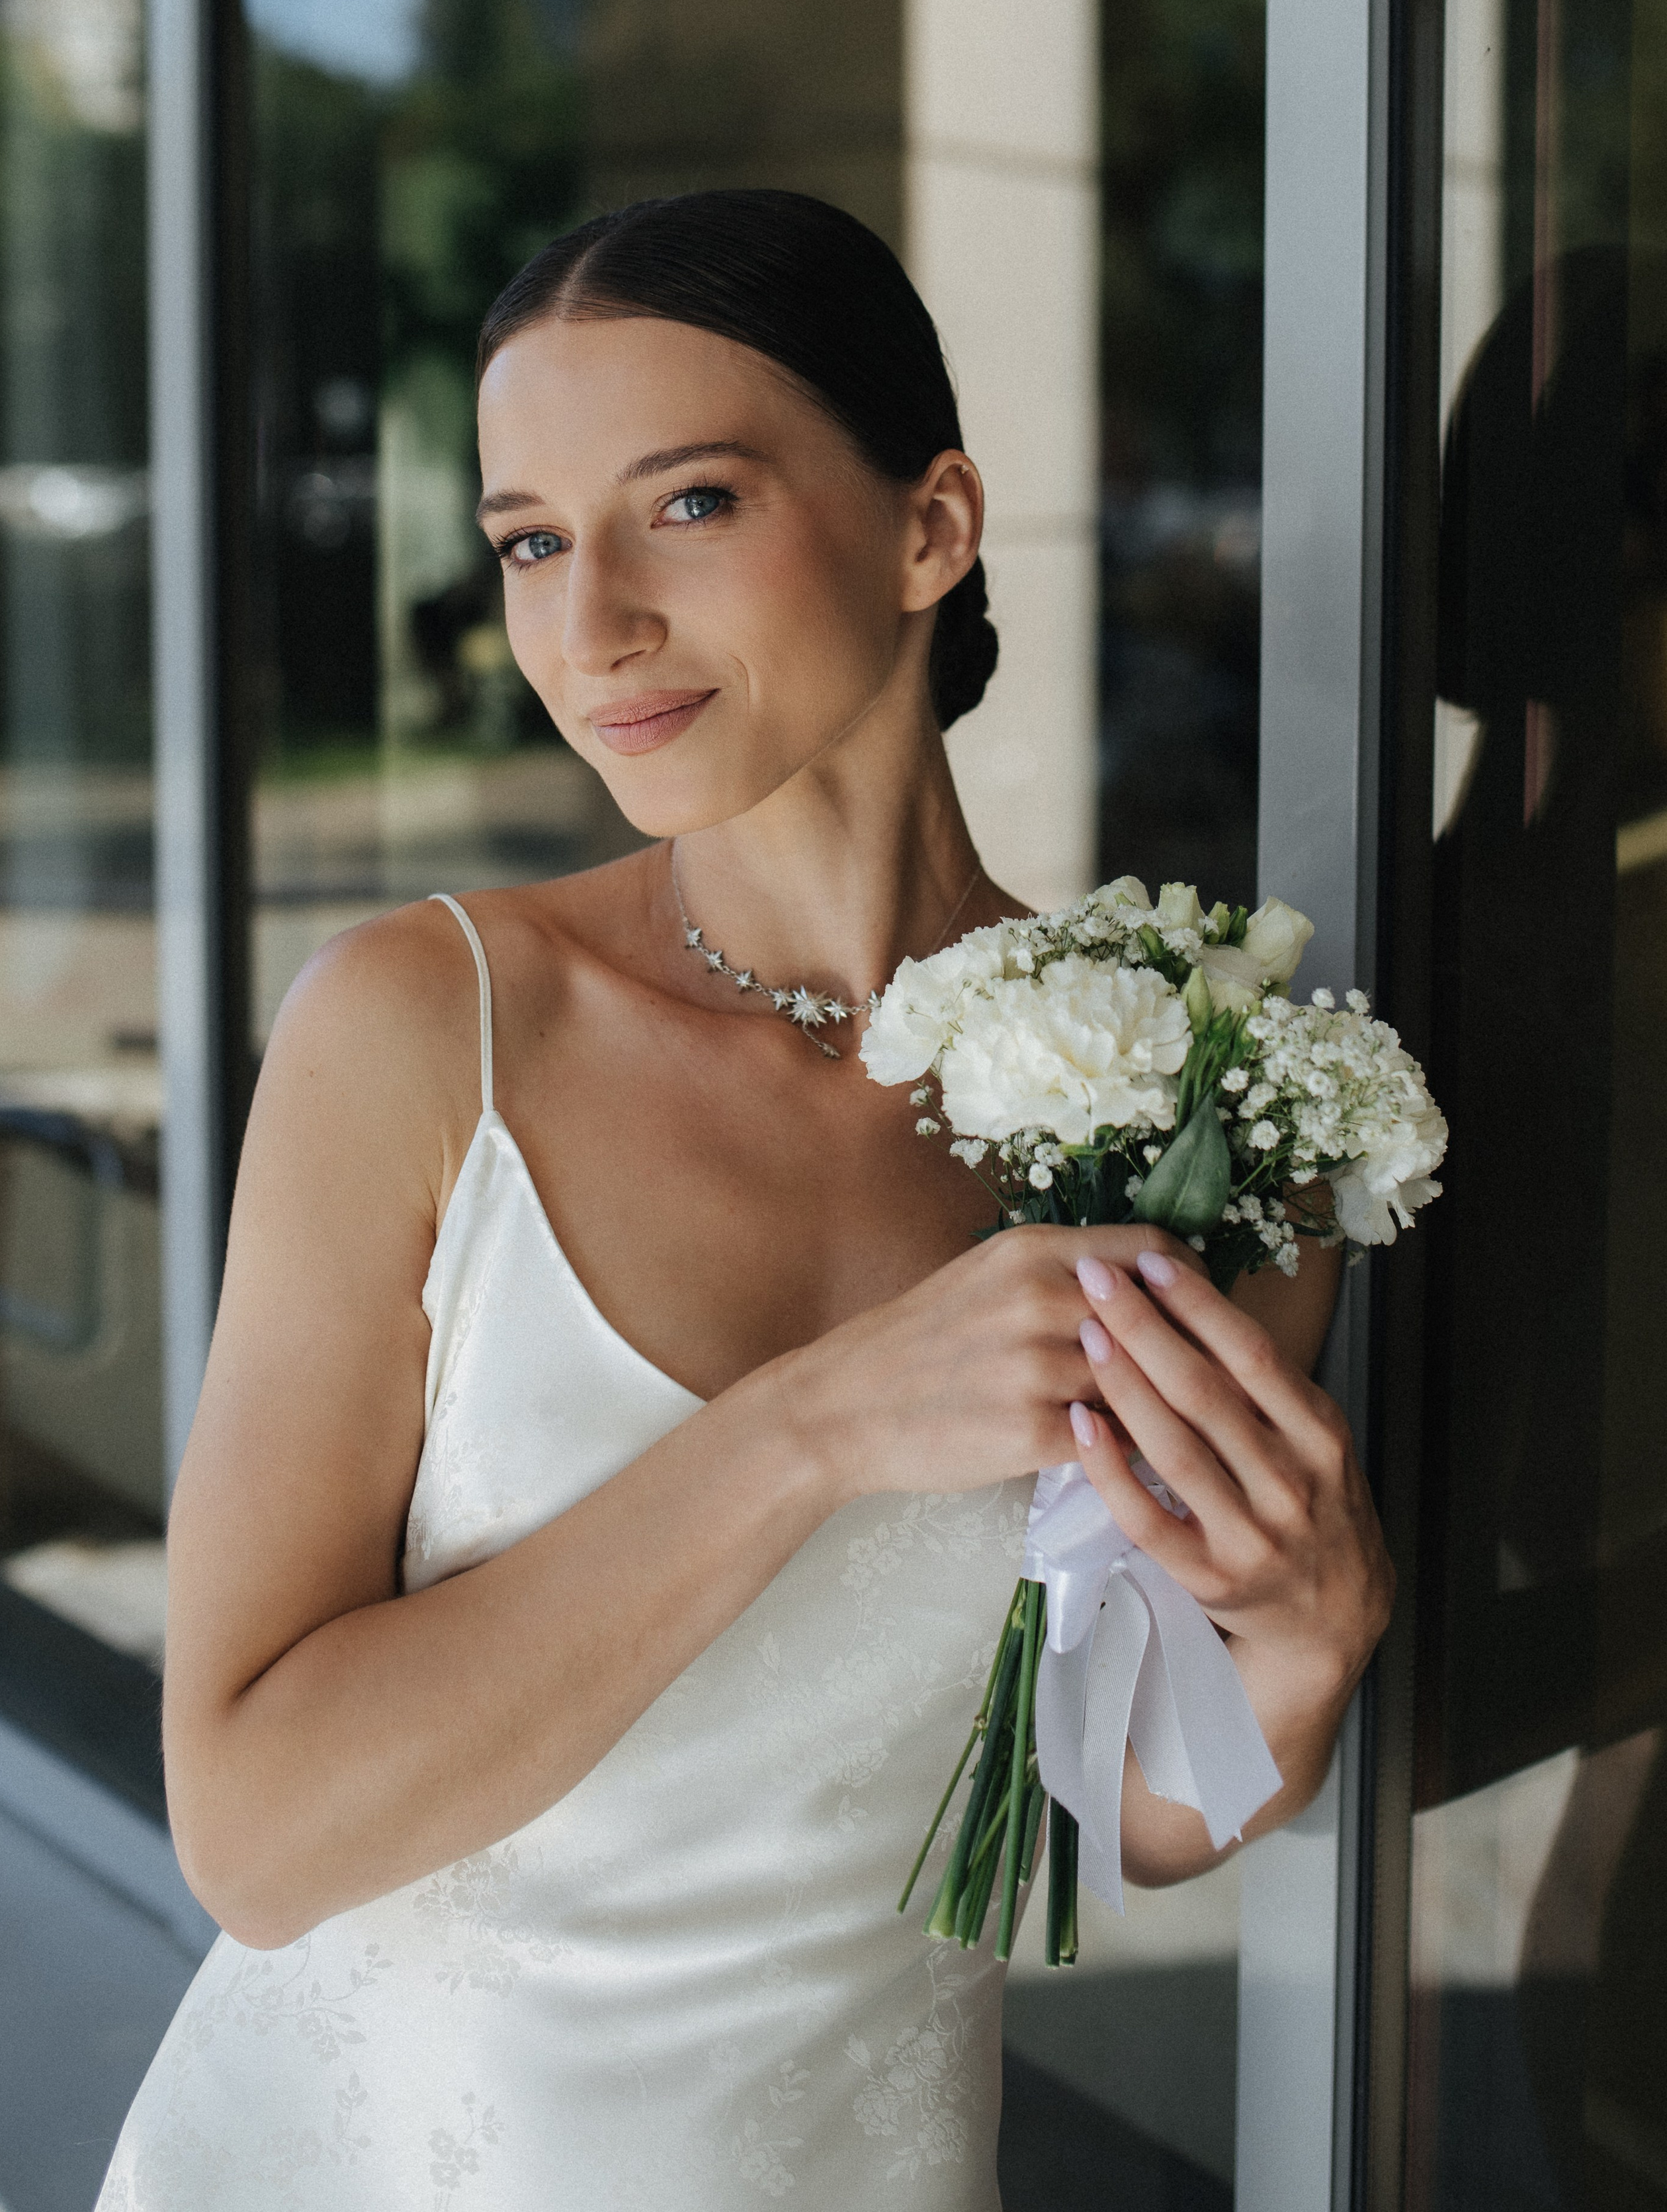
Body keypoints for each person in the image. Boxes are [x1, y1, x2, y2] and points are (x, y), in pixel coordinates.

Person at [97, 189, 1391, 2209]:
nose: (585, 618)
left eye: (683, 504)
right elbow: (253, 1836)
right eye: (530, 540)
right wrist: (812, 1430)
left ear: (931, 527)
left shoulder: (1201, 1120)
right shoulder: (430, 1031)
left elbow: (1074, 1806)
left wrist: (1296, 1661)